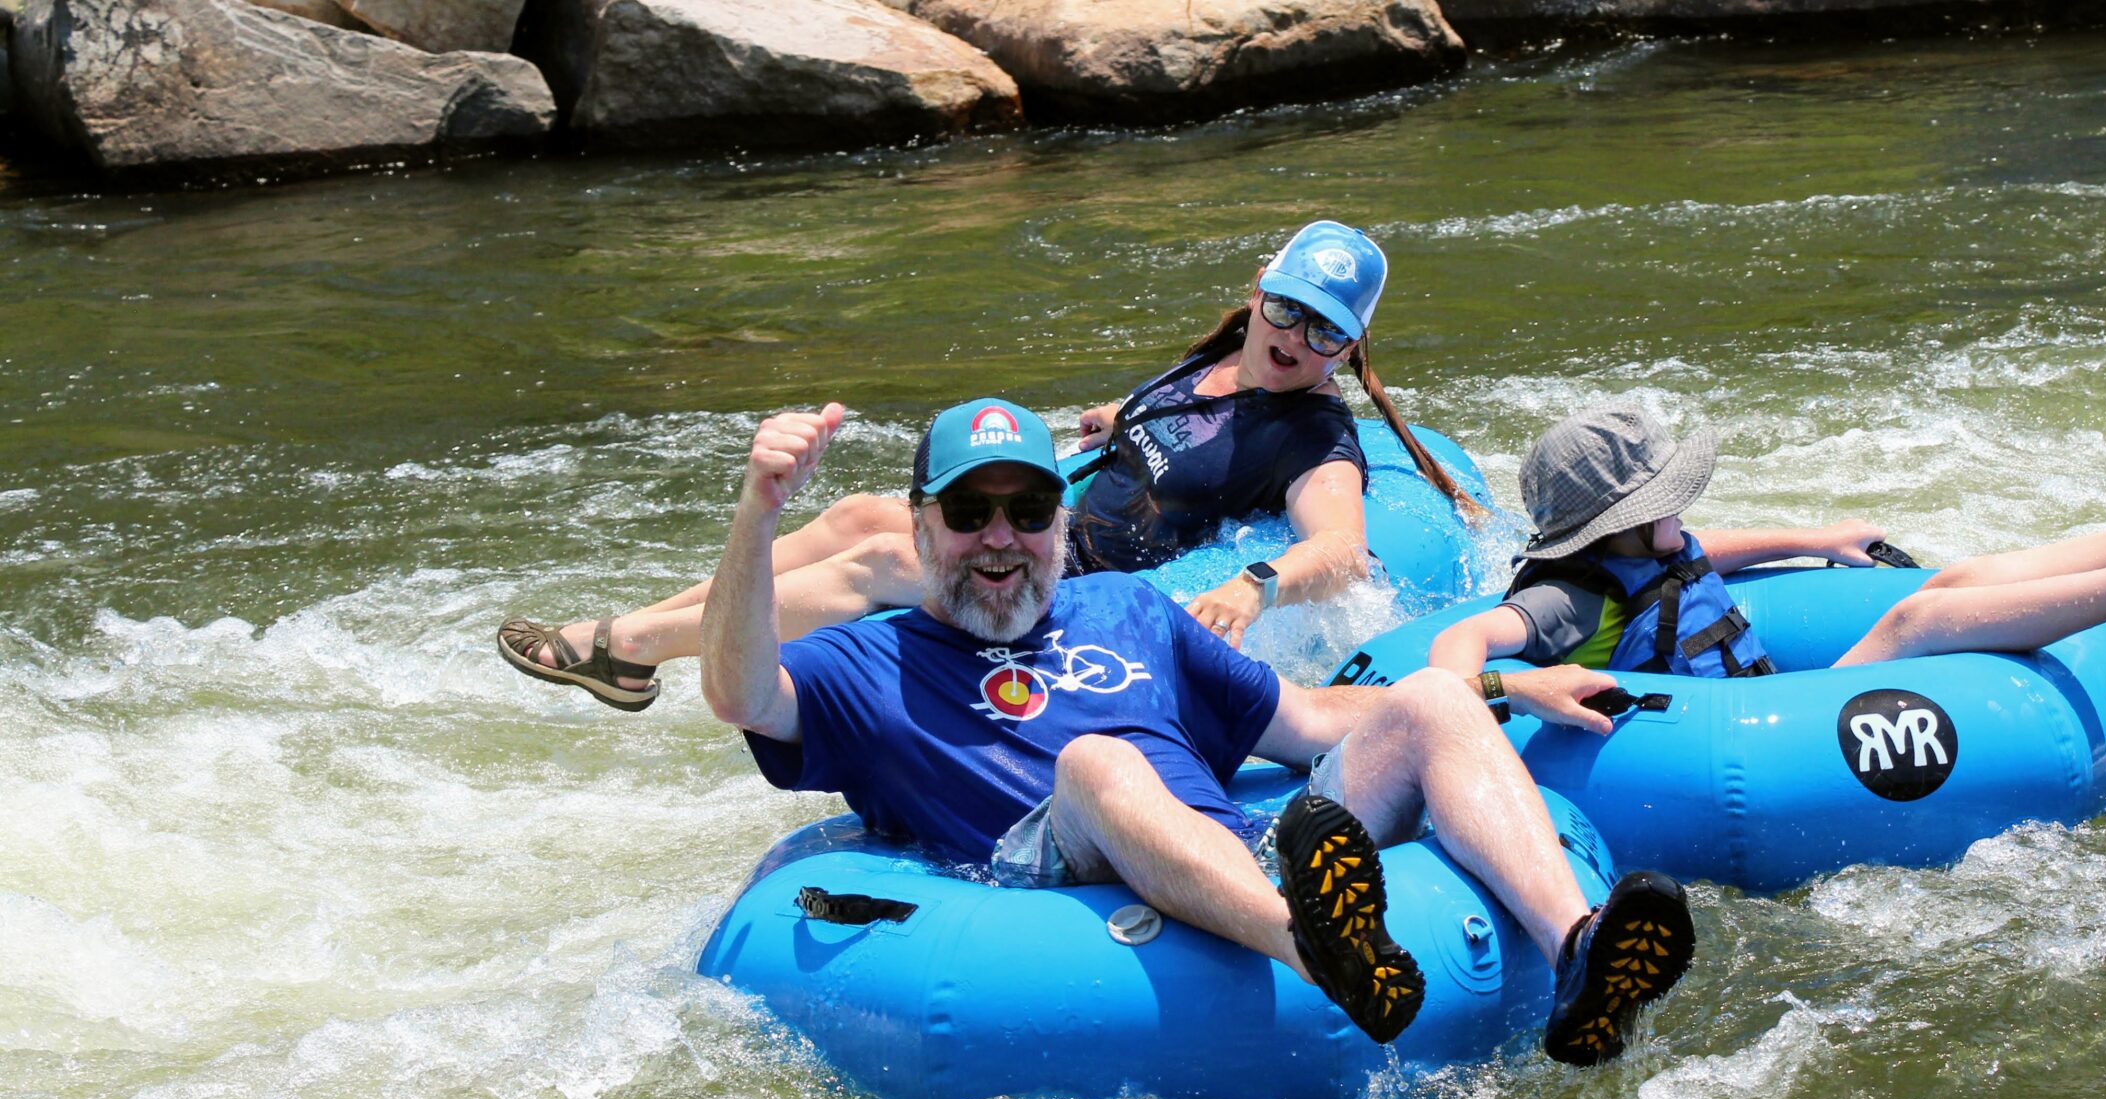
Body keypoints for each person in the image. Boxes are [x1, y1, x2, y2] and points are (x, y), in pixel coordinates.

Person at [701, 395, 1694, 1065]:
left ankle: (1581, 954)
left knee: (1428, 699)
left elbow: (1305, 720)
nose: (1000, 536)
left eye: (1029, 507)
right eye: (969, 510)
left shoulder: (1129, 608)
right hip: (1044, 864)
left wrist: (1498, 690)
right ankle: (1316, 950)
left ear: (1059, 519)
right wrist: (756, 511)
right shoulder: (869, 662)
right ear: (920, 528)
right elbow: (742, 693)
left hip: (1231, 842)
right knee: (1097, 759)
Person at [499, 220, 1477, 709]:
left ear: (1349, 349)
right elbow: (1167, 433)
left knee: (885, 560)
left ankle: (631, 646)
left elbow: (1343, 550)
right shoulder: (1222, 354)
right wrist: (1116, 416)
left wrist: (1259, 583)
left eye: (1325, 330)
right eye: (1288, 307)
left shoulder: (1313, 435)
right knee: (857, 515)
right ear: (1259, 288)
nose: (1297, 336)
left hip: (1096, 594)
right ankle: (627, 640)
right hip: (1063, 532)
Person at [1427, 401, 2106, 703]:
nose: (1685, 507)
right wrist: (1517, 685)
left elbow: (1706, 556)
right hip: (1746, 731)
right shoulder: (1568, 602)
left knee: (1958, 579)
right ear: (1614, 525)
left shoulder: (1649, 550)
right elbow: (1459, 648)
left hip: (1762, 696)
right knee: (1916, 618)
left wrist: (1817, 537)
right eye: (1666, 497)